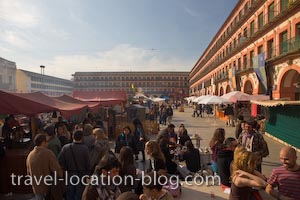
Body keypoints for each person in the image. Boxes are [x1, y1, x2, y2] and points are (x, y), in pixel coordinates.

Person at [26, 134, 63, 200]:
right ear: (43, 142)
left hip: (36, 186)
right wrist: (61, 176)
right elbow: (56, 169)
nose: (48, 143)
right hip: (48, 187)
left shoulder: (30, 155)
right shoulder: (48, 153)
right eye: (47, 141)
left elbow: (28, 172)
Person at [58, 130, 91, 200]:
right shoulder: (85, 149)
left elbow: (60, 161)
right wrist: (88, 174)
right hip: (81, 175)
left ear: (73, 136)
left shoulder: (65, 148)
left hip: (69, 174)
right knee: (79, 195)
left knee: (70, 194)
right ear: (82, 138)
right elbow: (88, 164)